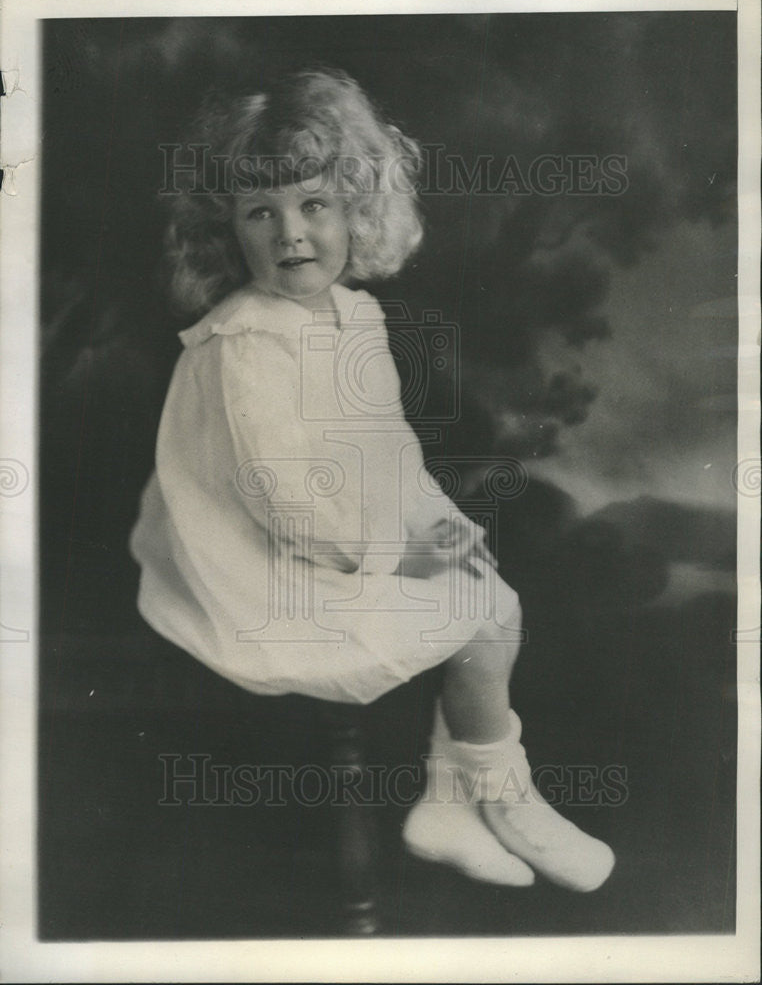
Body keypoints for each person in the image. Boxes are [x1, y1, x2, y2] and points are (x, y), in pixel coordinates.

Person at [130, 68, 615, 892]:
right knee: (479, 610)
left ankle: (449, 802)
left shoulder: (358, 317)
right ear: (230, 229)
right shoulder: (246, 343)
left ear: (358, 209)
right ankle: (501, 793)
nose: (291, 234)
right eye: (261, 212)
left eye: (313, 205)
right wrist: (403, 551)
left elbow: (384, 451)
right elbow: (282, 499)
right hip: (255, 560)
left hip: (345, 535)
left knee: (486, 591)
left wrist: (433, 525)